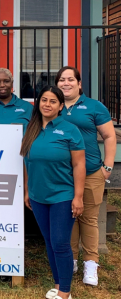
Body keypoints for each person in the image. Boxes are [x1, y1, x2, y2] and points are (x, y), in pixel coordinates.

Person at [21, 85, 85, 299]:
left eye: (52, 101)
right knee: (49, 242)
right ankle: (58, 285)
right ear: (38, 103)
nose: (47, 104)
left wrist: (78, 197)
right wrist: (28, 191)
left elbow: (78, 165)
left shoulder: (70, 130)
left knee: (60, 243)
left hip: (62, 195)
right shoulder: (32, 128)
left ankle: (66, 292)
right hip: (38, 196)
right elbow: (28, 162)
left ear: (60, 106)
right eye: (44, 100)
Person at [56, 66, 115, 286]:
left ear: (79, 83)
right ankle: (70, 260)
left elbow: (109, 136)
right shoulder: (54, 105)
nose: (66, 83)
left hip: (91, 171)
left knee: (89, 218)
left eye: (71, 79)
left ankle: (91, 263)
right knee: (68, 218)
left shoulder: (94, 106)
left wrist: (107, 168)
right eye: (62, 80)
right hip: (62, 174)